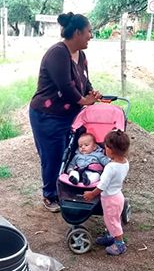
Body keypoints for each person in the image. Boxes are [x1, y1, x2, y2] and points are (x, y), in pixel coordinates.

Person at [29, 12, 102, 212]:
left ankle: (65, 188)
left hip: (70, 115)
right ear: (77, 32)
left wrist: (91, 92)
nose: (91, 36)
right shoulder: (58, 53)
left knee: (69, 154)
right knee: (52, 156)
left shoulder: (82, 55)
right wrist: (84, 100)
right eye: (89, 31)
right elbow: (66, 87)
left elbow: (84, 81)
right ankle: (49, 196)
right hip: (48, 115)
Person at [83, 129, 131, 256]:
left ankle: (120, 245)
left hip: (110, 199)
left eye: (105, 147)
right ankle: (111, 236)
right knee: (111, 220)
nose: (104, 150)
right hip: (117, 195)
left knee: (113, 222)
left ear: (111, 149)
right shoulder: (125, 162)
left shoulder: (110, 167)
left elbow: (102, 186)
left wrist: (91, 194)